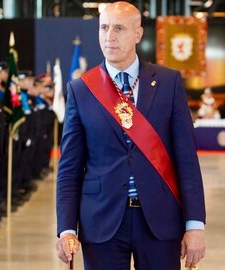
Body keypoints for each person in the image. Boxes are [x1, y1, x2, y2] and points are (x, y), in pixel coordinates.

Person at [55, 2, 206, 270]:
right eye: (103, 27)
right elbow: (69, 168)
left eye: (119, 28)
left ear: (138, 33)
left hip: (160, 220)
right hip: (101, 222)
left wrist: (195, 225)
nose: (109, 36)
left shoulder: (168, 82)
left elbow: (186, 159)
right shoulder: (81, 89)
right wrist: (66, 228)